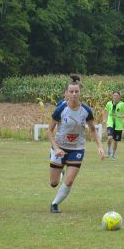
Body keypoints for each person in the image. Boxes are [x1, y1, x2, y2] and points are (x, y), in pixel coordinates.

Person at [47, 74, 105, 213]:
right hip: (60, 148)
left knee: (70, 181)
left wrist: (100, 147)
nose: (74, 94)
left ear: (80, 92)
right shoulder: (61, 109)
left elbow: (92, 129)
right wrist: (55, 148)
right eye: (71, 91)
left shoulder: (86, 111)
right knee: (54, 183)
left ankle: (54, 204)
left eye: (76, 91)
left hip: (77, 149)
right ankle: (60, 173)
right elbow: (49, 130)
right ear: (66, 93)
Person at [103, 91, 124, 160]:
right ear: (112, 96)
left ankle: (113, 154)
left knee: (115, 141)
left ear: (119, 97)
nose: (115, 97)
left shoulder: (122, 104)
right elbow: (104, 111)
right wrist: (104, 119)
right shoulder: (109, 103)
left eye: (117, 95)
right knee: (109, 138)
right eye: (114, 95)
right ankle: (108, 149)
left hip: (118, 125)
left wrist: (121, 116)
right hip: (110, 123)